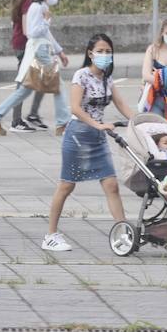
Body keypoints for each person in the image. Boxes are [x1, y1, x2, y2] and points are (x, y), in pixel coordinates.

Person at [41, 34, 135, 252]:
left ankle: (122, 233)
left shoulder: (107, 79)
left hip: (98, 137)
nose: (104, 55)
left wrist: (139, 121)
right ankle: (50, 235)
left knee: (111, 185)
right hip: (78, 136)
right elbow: (74, 107)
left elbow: (121, 104)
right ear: (90, 54)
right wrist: (97, 124)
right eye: (100, 51)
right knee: (66, 185)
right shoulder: (81, 76)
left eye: (108, 51)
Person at [0, 0, 71, 137]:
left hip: (41, 49)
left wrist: (60, 52)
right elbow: (33, 32)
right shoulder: (37, 8)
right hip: (40, 51)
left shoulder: (41, 7)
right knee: (58, 86)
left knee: (25, 90)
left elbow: (47, 34)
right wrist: (46, 21)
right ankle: (63, 123)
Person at [8, 0, 47, 133]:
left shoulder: (26, 1)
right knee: (23, 83)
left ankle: (32, 115)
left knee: (43, 78)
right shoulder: (27, 3)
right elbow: (26, 29)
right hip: (26, 46)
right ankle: (16, 121)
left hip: (26, 45)